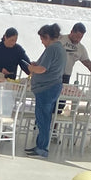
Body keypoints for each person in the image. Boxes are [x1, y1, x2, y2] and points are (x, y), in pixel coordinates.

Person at [25, 23, 67, 157]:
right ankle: (40, 146)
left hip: (47, 88)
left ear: (47, 37)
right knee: (44, 118)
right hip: (52, 87)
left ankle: (42, 148)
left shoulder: (52, 48)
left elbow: (43, 69)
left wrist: (31, 68)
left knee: (43, 119)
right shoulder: (59, 48)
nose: (42, 42)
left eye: (42, 39)